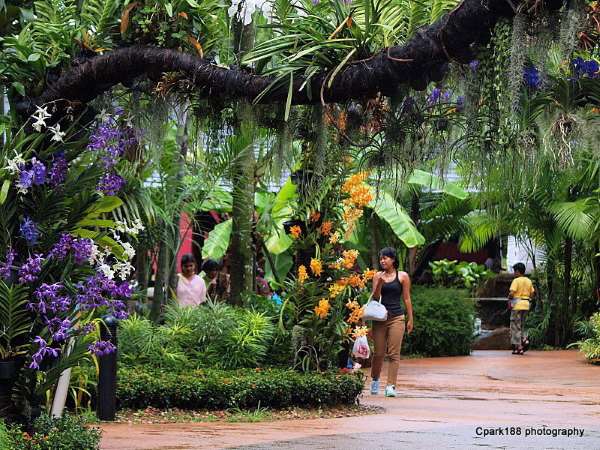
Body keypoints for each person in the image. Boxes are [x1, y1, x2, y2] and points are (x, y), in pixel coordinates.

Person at [370, 247, 414, 397]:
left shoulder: (403, 276)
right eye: (381, 258)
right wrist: (380, 284)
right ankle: (375, 380)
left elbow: (407, 298)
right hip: (380, 319)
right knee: (379, 353)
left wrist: (410, 319)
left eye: (385, 258)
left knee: (394, 354)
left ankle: (390, 386)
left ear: (393, 260)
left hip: (397, 318)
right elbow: (375, 298)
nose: (382, 261)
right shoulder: (377, 276)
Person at [508, 262, 535, 355]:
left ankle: (519, 347)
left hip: (517, 305)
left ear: (518, 271)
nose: (514, 273)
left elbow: (512, 293)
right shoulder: (528, 281)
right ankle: (524, 339)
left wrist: (509, 298)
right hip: (526, 305)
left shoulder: (516, 281)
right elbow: (532, 293)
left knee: (515, 326)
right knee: (523, 325)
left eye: (515, 271)